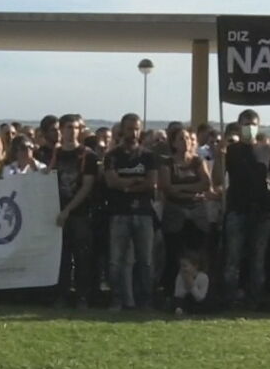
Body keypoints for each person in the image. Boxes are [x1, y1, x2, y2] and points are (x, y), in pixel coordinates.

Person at [212, 109, 270, 309]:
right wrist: (219, 157)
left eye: (253, 124)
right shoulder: (231, 150)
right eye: (246, 124)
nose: (250, 128)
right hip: (237, 208)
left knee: (258, 259)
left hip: (261, 211)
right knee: (232, 258)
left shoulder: (266, 149)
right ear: (239, 125)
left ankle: (254, 299)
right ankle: (229, 298)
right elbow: (217, 181)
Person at [104, 112, 158, 310]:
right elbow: (111, 181)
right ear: (122, 129)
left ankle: (146, 300)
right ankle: (117, 299)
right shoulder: (112, 156)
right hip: (119, 213)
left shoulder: (148, 156)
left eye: (137, 129)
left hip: (144, 214)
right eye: (130, 128)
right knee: (116, 260)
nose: (133, 132)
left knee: (145, 261)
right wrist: (134, 183)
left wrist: (125, 185)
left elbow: (151, 183)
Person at [49, 114, 98, 309]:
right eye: (68, 127)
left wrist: (68, 210)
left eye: (75, 128)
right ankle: (61, 295)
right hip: (57, 213)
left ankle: (82, 297)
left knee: (81, 258)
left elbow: (86, 187)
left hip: (79, 214)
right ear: (61, 129)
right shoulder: (56, 153)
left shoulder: (88, 155)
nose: (72, 131)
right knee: (61, 257)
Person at [159, 127, 210, 303]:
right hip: (175, 214)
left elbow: (205, 184)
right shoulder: (167, 163)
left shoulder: (198, 161)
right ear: (173, 143)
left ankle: (198, 294)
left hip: (197, 215)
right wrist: (190, 191)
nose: (186, 141)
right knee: (174, 255)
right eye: (181, 138)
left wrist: (181, 188)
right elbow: (167, 187)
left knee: (197, 254)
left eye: (188, 138)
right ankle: (173, 294)